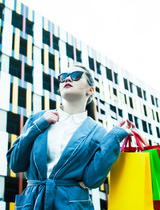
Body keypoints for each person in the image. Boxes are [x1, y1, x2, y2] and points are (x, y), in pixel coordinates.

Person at [7, 64, 135, 210]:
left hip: (71, 204)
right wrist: (39, 125)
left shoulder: (98, 132)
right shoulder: (38, 118)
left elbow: (92, 180)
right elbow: (15, 163)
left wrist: (114, 137)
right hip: (33, 202)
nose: (67, 78)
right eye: (62, 77)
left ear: (90, 90)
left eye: (76, 75)